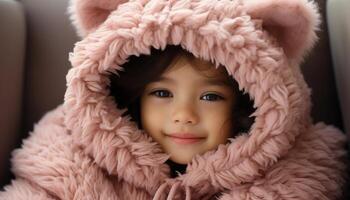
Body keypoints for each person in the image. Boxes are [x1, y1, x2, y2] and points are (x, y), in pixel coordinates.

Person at [0, 0, 348, 199]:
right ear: (131, 95)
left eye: (210, 96)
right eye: (162, 93)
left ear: (248, 105)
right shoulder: (71, 155)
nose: (183, 115)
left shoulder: (291, 174)